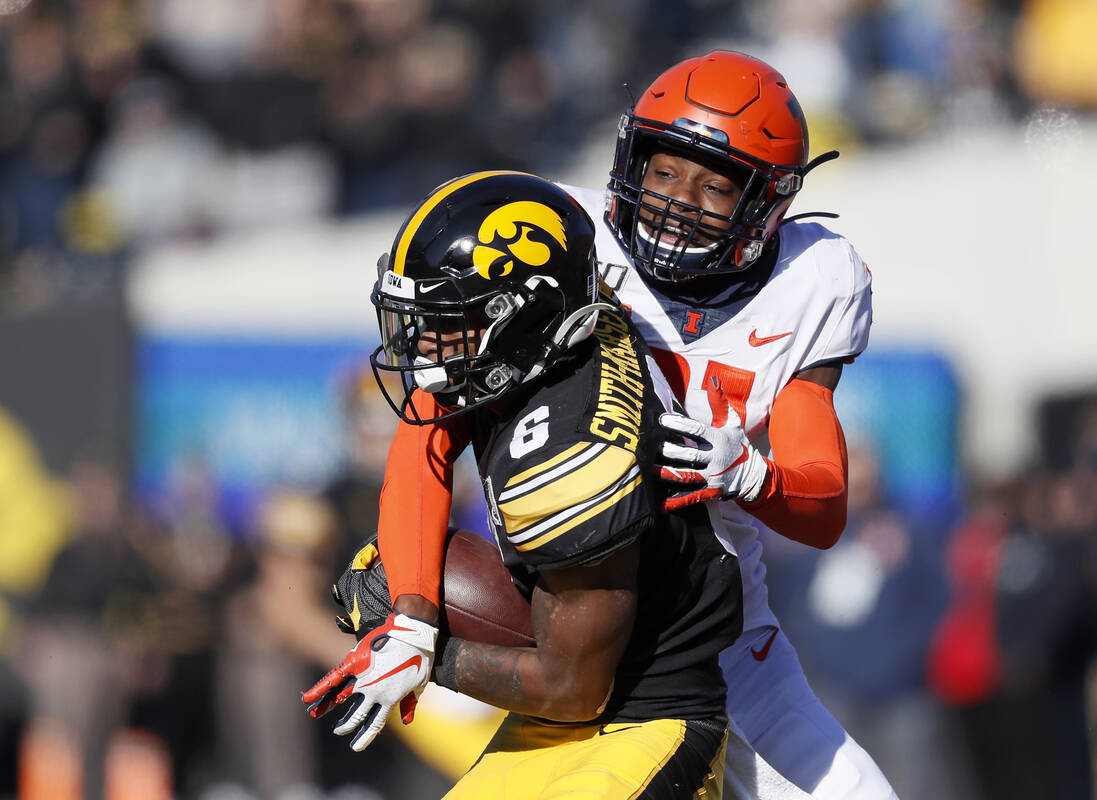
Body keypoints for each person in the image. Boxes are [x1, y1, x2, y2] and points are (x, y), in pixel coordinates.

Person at [372, 51, 896, 799]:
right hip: (569, 607)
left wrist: (752, 474)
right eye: (663, 172)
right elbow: (427, 424)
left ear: (768, 203)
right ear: (629, 159)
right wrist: (416, 614)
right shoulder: (556, 234)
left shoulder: (813, 281)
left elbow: (821, 507)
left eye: (716, 186)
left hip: (717, 637)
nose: (679, 201)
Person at [303, 171, 743, 799]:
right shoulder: (549, 335)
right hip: (555, 718)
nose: (422, 344)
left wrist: (431, 658)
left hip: (639, 720)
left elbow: (574, 689)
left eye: (446, 320)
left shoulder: (569, 459)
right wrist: (413, 615)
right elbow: (423, 437)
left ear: (520, 316)